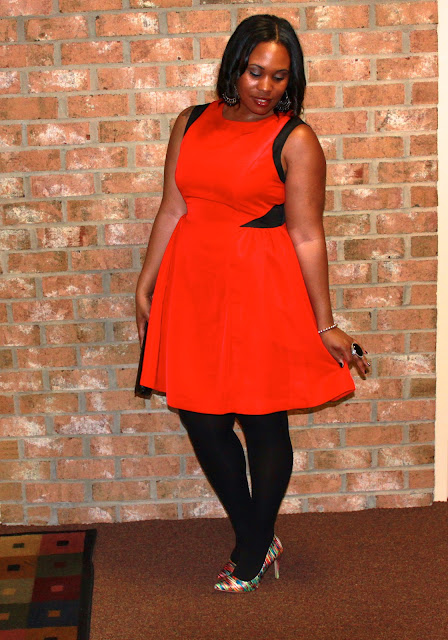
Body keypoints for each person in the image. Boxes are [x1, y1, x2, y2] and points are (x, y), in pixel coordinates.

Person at [135, 14, 370, 593]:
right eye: (254, 72)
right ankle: (258, 535)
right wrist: (146, 282)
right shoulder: (190, 122)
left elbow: (307, 234)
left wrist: (326, 324)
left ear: (292, 80)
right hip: (192, 285)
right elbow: (173, 207)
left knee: (263, 420)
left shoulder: (296, 139)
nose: (264, 87)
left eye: (278, 77)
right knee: (201, 417)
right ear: (235, 67)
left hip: (260, 289)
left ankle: (250, 549)